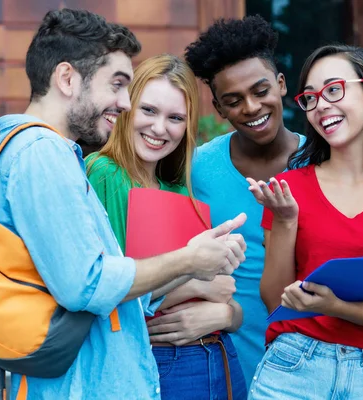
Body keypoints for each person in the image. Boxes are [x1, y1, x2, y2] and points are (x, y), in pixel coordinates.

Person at [0, 9, 246, 399]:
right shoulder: (42, 152)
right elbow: (89, 285)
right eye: (116, 84)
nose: (124, 103)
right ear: (66, 78)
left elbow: (109, 289)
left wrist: (215, 293)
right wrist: (190, 263)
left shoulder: (53, 154)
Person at [246, 44, 363, 399]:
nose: (322, 106)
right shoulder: (289, 188)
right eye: (311, 98)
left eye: (334, 89)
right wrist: (287, 220)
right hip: (292, 368)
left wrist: (330, 305)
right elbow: (275, 299)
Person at [86, 54, 247, 400]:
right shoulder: (105, 173)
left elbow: (228, 294)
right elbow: (110, 291)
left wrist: (226, 311)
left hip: (216, 358)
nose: (160, 129)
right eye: (148, 110)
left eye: (175, 118)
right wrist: (199, 287)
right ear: (126, 106)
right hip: (156, 365)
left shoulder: (178, 190)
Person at [183, 15, 305, 385]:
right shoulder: (198, 169)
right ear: (218, 109)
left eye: (260, 90)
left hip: (314, 366)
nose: (251, 107)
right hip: (229, 366)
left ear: (281, 84)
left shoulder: (326, 160)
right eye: (233, 101)